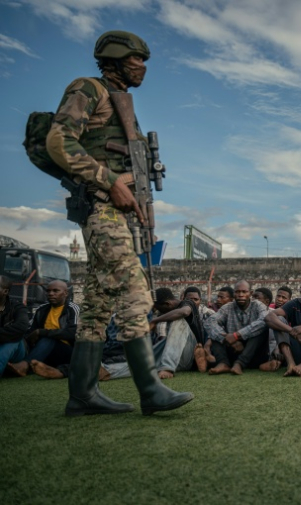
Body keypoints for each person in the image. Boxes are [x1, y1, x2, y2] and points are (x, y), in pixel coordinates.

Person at [47, 30, 192, 415]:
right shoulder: (88, 88)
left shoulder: (118, 101)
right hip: (100, 207)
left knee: (96, 302)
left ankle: (82, 394)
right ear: (114, 59)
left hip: (119, 213)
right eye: (136, 60)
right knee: (133, 291)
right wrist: (110, 181)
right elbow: (59, 142)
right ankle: (150, 389)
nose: (142, 67)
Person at [7, 281, 78, 377]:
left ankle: (25, 365)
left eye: (55, 291)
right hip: (44, 349)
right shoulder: (41, 309)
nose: (51, 293)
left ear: (65, 293)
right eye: (48, 291)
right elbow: (30, 331)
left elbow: (73, 332)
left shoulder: (72, 309)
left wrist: (41, 332)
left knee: (49, 338)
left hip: (68, 352)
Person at [204, 280, 270, 375]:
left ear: (250, 293)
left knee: (261, 331)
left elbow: (264, 320)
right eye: (237, 292)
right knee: (215, 334)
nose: (240, 295)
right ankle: (223, 363)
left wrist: (236, 335)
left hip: (254, 353)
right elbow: (209, 322)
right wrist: (227, 339)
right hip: (233, 349)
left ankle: (240, 364)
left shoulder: (258, 306)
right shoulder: (228, 307)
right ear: (234, 294)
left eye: (244, 292)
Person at [147, 288, 204, 379]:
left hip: (189, 357)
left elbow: (184, 312)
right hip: (170, 356)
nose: (159, 312)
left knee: (180, 320)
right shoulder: (165, 314)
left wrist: (155, 321)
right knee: (139, 364)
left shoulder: (188, 303)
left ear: (167, 304)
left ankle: (168, 367)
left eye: (159, 308)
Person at [0, 276, 29, 377]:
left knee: (13, 341)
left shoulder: (17, 307)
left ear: (5, 291)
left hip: (17, 350)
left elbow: (21, 327)